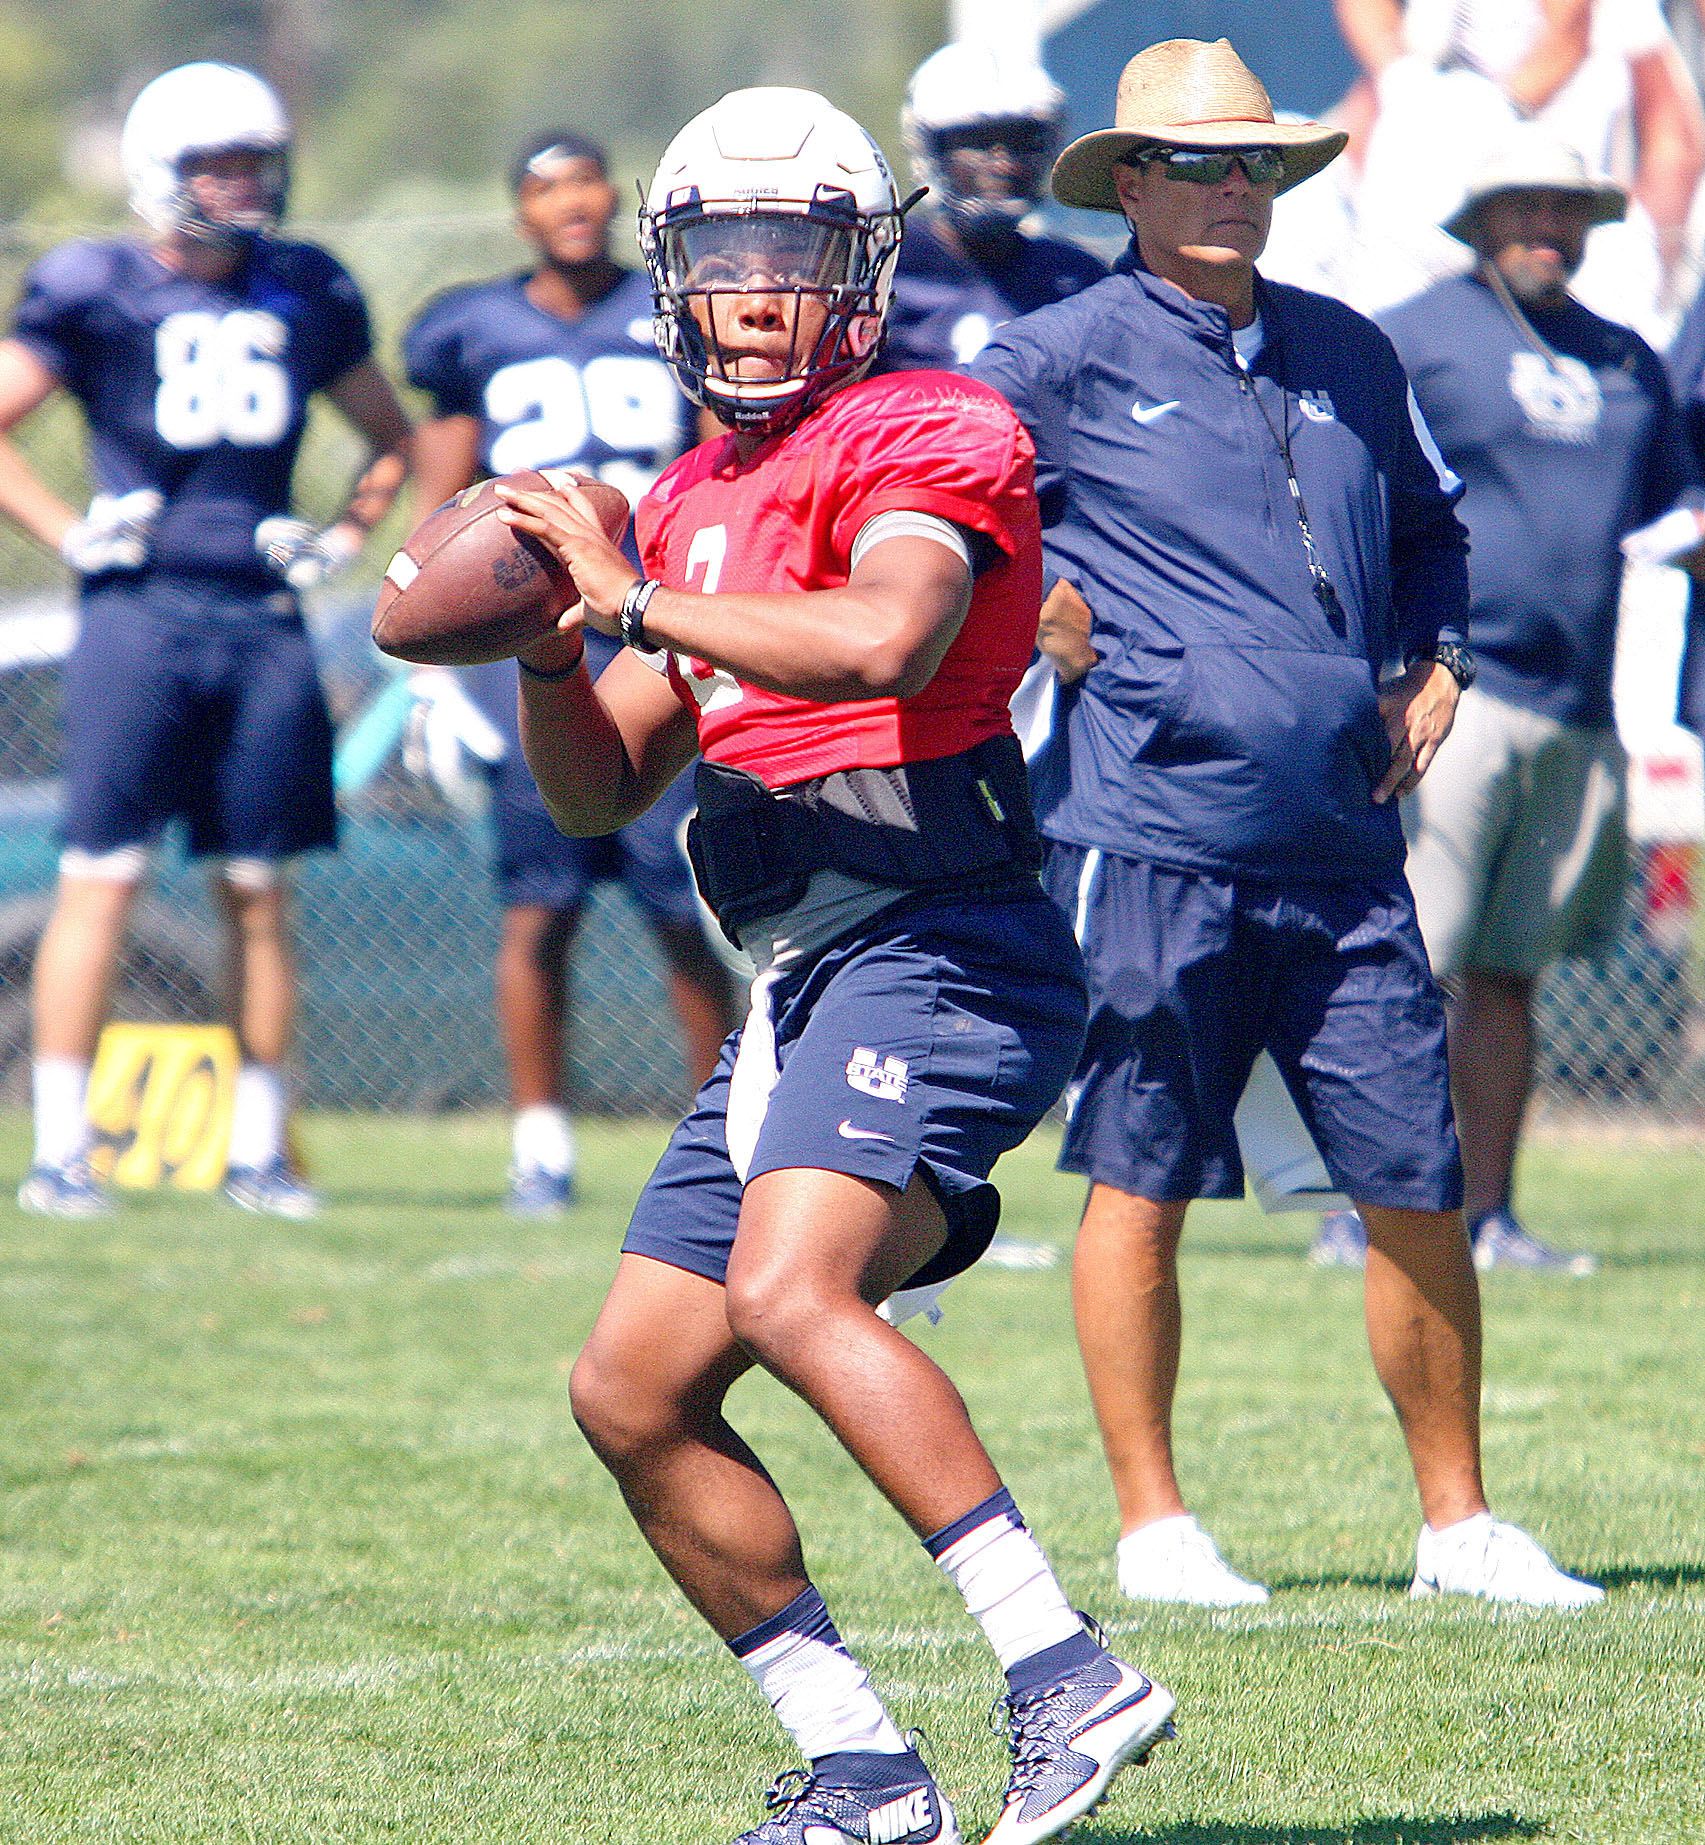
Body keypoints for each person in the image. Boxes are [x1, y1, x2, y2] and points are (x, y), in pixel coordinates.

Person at [491, 86, 1175, 1845]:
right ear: (673, 282)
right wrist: (553, 646)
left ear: (857, 275)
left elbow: (887, 633)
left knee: (796, 1291)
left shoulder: (928, 424)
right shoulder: (688, 494)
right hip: (795, 980)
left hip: (941, 934)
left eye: (788, 257)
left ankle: (1060, 1671)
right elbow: (598, 793)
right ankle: (864, 1772)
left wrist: (634, 600)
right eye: (720, 259)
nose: (751, 296)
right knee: (629, 1389)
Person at [971, 37, 1604, 1612]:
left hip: (1343, 844)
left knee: (1418, 1183)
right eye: (1196, 163)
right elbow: (948, 533)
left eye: (1253, 163)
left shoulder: (1349, 349)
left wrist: (1441, 663)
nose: (1231, 189)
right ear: (1129, 181)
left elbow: (1437, 531)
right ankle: (1154, 1525)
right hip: (1150, 831)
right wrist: (1026, 601)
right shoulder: (1044, 358)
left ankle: (1457, 1525)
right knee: (1143, 1176)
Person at [2, 62, 411, 1220]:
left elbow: (389, 434)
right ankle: (61, 1149)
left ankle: (261, 1150)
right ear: (155, 174)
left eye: (254, 165)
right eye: (214, 166)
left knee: (257, 890)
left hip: (260, 616)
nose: (240, 186)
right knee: (101, 878)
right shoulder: (93, 286)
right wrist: (71, 531)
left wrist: (341, 535)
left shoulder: (307, 288)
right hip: (137, 613)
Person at [1311, 131, 1700, 1276]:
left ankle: (1488, 1216)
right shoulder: (1413, 339)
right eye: (1524, 205)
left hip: (1578, 705)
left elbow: (1675, 510)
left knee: (1509, 976)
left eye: (1567, 208)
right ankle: (1369, 1209)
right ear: (1479, 216)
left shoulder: (1630, 362)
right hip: (1445, 693)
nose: (1547, 228)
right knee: (1407, 965)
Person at [401, 128, 737, 1215]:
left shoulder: (670, 313)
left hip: (649, 629)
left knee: (684, 908)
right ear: (522, 214)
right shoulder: (471, 326)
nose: (574, 201)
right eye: (547, 186)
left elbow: (713, 463)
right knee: (538, 912)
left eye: (589, 179)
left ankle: (723, 1127)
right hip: (530, 649)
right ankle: (539, 1142)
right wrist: (430, 671)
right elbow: (443, 499)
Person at [1325, 0, 1705, 328]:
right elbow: (1360, 123)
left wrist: (1650, 260)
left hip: (1577, 263)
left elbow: (1672, 145)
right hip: (1425, 254)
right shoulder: (1411, 65)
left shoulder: (1623, 18)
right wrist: (1401, 89)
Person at [877, 42, 1106, 375]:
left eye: (1022, 141)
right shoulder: (882, 263)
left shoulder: (1077, 279)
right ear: (931, 148)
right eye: (978, 142)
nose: (1003, 164)